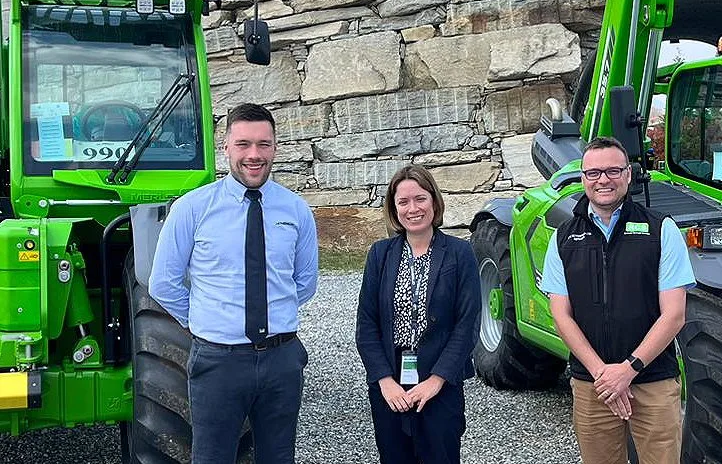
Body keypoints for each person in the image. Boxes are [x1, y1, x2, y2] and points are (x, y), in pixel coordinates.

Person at [149, 103, 319, 464]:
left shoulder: (296, 210)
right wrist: (204, 322)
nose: (254, 155)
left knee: (279, 458)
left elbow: (304, 283)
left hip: (281, 361)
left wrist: (273, 315)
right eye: (243, 144)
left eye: (264, 144)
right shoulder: (192, 208)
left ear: (275, 147)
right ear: (225, 147)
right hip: (218, 362)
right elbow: (163, 283)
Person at [540, 136, 695, 464]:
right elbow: (561, 315)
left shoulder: (660, 230)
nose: (603, 180)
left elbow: (674, 314)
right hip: (592, 385)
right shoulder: (563, 237)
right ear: (583, 180)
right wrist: (603, 375)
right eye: (593, 173)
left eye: (613, 171)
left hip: (652, 379)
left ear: (628, 175)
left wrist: (628, 370)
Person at [356, 165, 480, 464]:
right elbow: (366, 324)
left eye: (420, 199)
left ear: (434, 202)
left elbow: (467, 323)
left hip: (439, 383)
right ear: (394, 208)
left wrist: (436, 380)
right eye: (403, 202)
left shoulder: (459, 253)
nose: (413, 208)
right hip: (391, 382)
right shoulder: (380, 255)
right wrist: (384, 380)